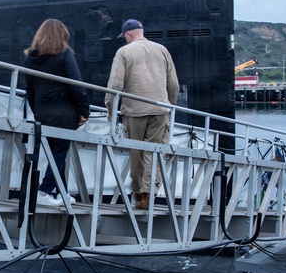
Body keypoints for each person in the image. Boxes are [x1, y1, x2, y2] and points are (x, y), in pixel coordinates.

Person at [105, 19, 179, 210]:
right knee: (154, 152)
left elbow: (115, 84)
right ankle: (149, 195)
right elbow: (173, 83)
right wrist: (170, 103)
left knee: (136, 153)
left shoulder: (124, 52)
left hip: (135, 111)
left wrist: (110, 108)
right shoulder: (162, 50)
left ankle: (139, 196)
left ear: (128, 35)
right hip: (160, 110)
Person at [24, 19, 90, 206]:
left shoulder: (31, 58)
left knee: (56, 153)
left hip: (43, 112)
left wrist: (37, 111)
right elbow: (76, 84)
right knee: (60, 152)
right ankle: (43, 191)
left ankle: (62, 192)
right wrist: (84, 110)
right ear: (61, 35)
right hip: (64, 112)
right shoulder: (64, 53)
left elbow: (29, 89)